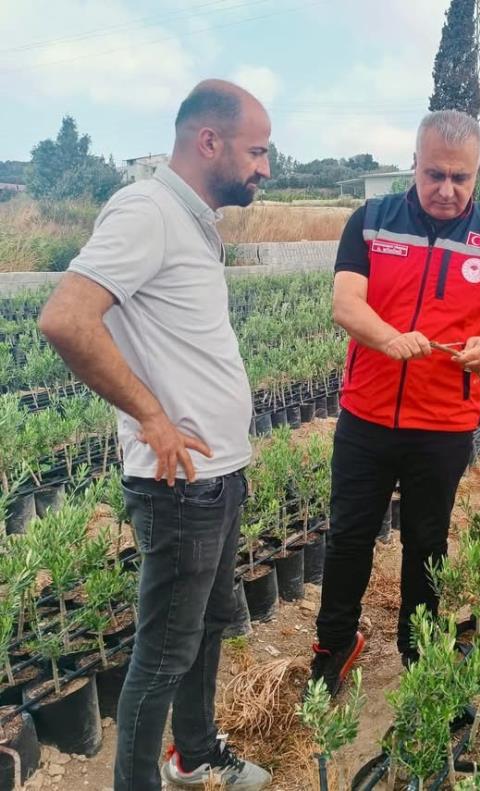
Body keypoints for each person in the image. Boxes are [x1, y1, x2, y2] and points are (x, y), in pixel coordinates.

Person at [38, 80, 272, 791]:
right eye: (256, 150)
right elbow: (66, 317)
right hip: (178, 488)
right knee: (162, 655)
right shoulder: (146, 209)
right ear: (209, 141)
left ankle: (195, 753)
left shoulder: (190, 218)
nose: (265, 167)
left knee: (201, 631)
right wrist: (152, 417)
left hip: (216, 477)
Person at [311, 109, 480, 691]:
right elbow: (345, 304)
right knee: (349, 535)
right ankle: (335, 645)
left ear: (478, 174)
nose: (446, 189)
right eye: (434, 174)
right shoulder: (371, 222)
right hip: (366, 414)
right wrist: (390, 339)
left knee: (426, 540)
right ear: (413, 163)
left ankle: (419, 648)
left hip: (444, 422)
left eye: (461, 178)